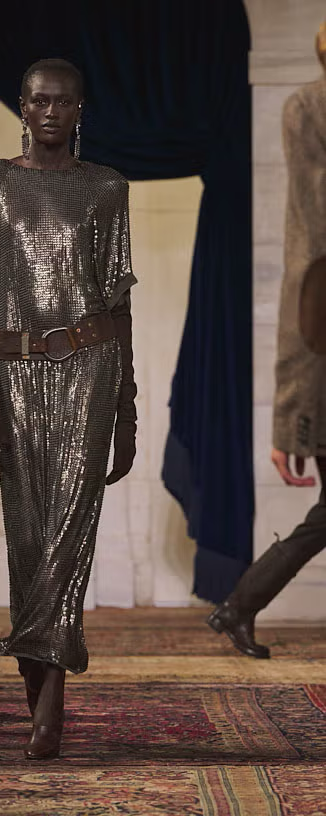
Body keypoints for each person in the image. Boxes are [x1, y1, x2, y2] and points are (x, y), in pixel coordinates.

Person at [0, 58, 137, 758]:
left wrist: (127, 411)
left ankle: (49, 702)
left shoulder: (106, 188)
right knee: (28, 537)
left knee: (70, 530)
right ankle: (41, 682)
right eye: (39, 100)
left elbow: (118, 302)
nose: (51, 111)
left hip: (91, 368)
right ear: (21, 107)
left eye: (64, 101)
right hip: (17, 374)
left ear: (81, 109)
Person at [207, 24, 326, 658]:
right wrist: (290, 423)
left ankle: (239, 606)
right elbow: (307, 284)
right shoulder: (307, 108)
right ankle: (239, 606)